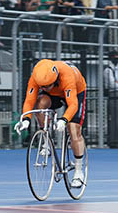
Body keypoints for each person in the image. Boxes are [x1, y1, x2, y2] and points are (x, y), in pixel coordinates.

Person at [15, 59, 87, 187]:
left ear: (55, 79)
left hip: (75, 91)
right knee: (40, 104)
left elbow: (73, 104)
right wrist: (26, 119)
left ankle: (78, 171)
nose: (43, 88)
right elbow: (29, 101)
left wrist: (64, 120)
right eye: (41, 86)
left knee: (73, 128)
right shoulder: (36, 77)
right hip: (54, 94)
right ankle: (46, 139)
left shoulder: (67, 76)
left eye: (46, 86)